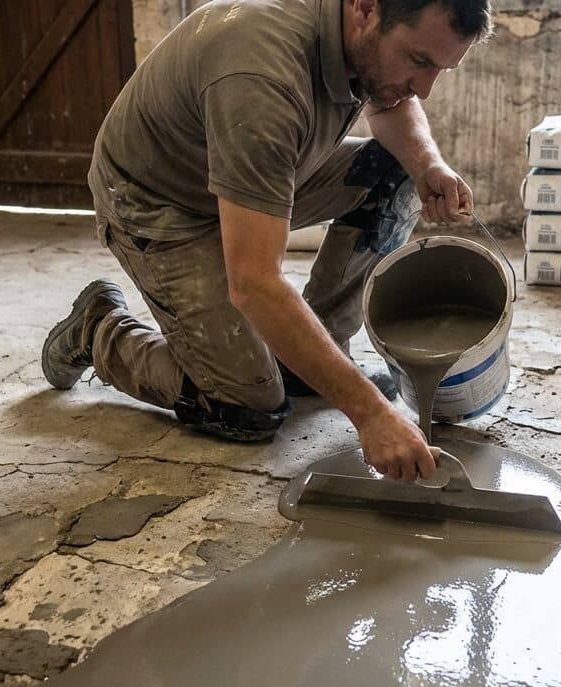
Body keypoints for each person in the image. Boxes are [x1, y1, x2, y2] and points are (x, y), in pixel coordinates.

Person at [41, 0, 491, 482]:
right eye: (420, 61)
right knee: (246, 408)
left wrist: (428, 165)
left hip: (253, 172)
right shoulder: (264, 76)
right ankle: (99, 329)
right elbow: (254, 281)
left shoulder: (360, 36)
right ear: (366, 8)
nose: (424, 87)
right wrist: (371, 413)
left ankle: (303, 358)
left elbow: (394, 101)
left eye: (440, 68)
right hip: (157, 201)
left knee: (395, 175)